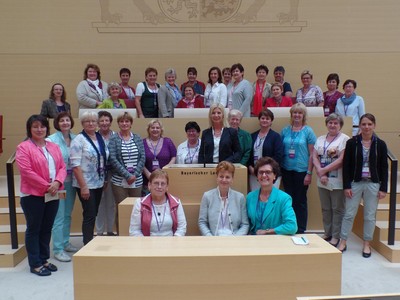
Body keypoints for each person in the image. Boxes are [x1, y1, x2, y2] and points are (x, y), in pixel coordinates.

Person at [16, 115, 66, 276]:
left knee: (46, 228)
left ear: (47, 128)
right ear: (29, 129)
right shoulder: (23, 147)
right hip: (32, 195)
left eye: (42, 126)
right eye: (35, 126)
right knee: (34, 229)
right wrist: (47, 186)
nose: (39, 129)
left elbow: (62, 166)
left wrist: (57, 182)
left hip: (52, 192)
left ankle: (44, 259)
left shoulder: (53, 146)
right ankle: (35, 263)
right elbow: (26, 172)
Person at [338, 113, 388, 258]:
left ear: (374, 126)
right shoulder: (352, 142)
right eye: (364, 124)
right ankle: (343, 241)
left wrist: (383, 188)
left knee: (370, 216)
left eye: (369, 124)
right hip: (355, 183)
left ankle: (367, 244)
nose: (366, 127)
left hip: (373, 184)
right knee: (349, 214)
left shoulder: (381, 144)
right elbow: (346, 166)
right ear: (360, 126)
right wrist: (346, 186)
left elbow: (384, 168)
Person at [70, 111, 109, 245]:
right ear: (82, 123)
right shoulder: (78, 140)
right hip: (85, 184)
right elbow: (75, 166)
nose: (91, 123)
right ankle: (87, 244)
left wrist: (104, 179)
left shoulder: (99, 137)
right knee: (89, 214)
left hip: (98, 182)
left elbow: (103, 159)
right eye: (87, 121)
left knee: (94, 213)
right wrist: (83, 186)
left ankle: (90, 241)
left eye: (93, 121)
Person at [312, 113, 349, 247]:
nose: (332, 125)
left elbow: (341, 160)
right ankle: (327, 232)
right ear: (326, 124)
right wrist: (320, 172)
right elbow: (315, 156)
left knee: (337, 209)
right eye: (330, 122)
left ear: (340, 125)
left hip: (337, 181)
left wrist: (323, 170)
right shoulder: (320, 138)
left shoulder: (345, 139)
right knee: (326, 208)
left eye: (335, 123)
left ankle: (336, 236)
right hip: (322, 179)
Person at [281, 103, 316, 233]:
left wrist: (309, 173)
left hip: (302, 171)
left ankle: (300, 229)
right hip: (286, 170)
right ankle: (290, 226)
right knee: (288, 200)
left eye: (299, 113)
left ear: (303, 115)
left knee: (300, 201)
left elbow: (312, 154)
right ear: (291, 115)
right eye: (294, 113)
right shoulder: (285, 130)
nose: (297, 115)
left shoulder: (308, 131)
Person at [47, 112, 77, 262]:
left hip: (72, 182)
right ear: (57, 123)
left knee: (67, 214)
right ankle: (58, 249)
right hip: (58, 183)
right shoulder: (51, 140)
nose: (65, 122)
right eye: (62, 120)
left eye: (67, 120)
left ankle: (65, 242)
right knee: (58, 217)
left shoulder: (76, 138)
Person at [108, 112, 145, 234]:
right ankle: (122, 234)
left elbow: (142, 157)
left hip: (137, 180)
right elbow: (113, 158)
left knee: (136, 209)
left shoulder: (137, 137)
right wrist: (127, 175)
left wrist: (135, 174)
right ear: (118, 124)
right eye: (122, 121)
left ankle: (136, 233)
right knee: (121, 209)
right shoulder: (114, 138)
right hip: (119, 181)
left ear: (131, 123)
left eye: (127, 121)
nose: (124, 123)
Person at [247, 157, 297, 235]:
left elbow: (292, 226)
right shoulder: (250, 197)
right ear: (257, 176)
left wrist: (267, 231)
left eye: (268, 172)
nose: (264, 175)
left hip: (275, 241)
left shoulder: (284, 198)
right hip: (253, 241)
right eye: (260, 172)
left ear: (274, 175)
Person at [129, 169, 187, 236]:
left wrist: (174, 243)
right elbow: (134, 231)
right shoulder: (139, 203)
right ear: (149, 185)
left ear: (167, 187)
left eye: (163, 184)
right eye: (156, 183)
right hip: (147, 244)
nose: (159, 187)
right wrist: (145, 245)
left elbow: (182, 228)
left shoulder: (176, 203)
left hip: (171, 244)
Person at [198, 161, 249, 236]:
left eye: (227, 177)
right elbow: (202, 222)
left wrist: (236, 239)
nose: (224, 180)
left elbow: (245, 224)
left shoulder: (240, 197)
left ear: (232, 179)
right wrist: (210, 238)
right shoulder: (207, 196)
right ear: (217, 178)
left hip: (234, 242)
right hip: (213, 240)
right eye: (221, 176)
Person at [249, 109, 283, 191]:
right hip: (254, 174)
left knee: (270, 198)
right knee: (256, 197)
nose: (265, 120)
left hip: (270, 173)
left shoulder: (276, 136)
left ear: (271, 121)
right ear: (259, 120)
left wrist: (264, 169)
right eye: (263, 118)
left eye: (267, 119)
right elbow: (248, 154)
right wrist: (250, 167)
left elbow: (278, 155)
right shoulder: (252, 136)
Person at [95, 111, 116, 236]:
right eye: (101, 120)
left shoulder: (116, 135)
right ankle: (99, 232)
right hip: (97, 174)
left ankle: (110, 231)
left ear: (110, 122)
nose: (104, 123)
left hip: (113, 173)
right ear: (98, 123)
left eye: (106, 120)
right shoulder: (94, 136)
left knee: (111, 203)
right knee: (100, 203)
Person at [142, 119, 176, 194]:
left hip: (164, 180)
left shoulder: (168, 141)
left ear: (161, 130)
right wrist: (148, 174)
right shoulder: (142, 142)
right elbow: (139, 160)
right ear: (148, 129)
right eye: (152, 127)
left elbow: (174, 156)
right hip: (147, 181)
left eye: (157, 128)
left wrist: (164, 170)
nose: (155, 130)